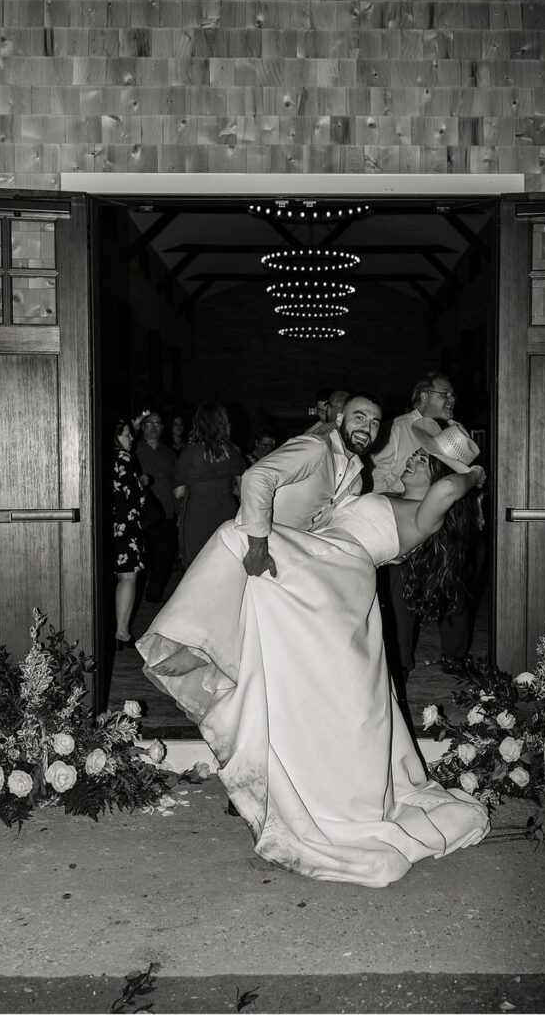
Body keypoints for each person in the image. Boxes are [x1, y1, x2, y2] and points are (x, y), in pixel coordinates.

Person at [136, 422, 489, 888]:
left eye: (423, 459)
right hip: (324, 564)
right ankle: (211, 650)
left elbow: (447, 489)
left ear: (442, 473)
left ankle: (200, 649)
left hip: (342, 571)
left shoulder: (427, 514)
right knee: (254, 576)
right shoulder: (384, 494)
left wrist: (474, 475)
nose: (411, 459)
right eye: (415, 454)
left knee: (236, 535)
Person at [371, 373, 476, 679]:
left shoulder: (456, 430)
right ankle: (401, 663)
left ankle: (456, 657)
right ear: (424, 395)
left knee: (454, 587)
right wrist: (408, 499)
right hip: (408, 518)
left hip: (451, 520)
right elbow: (378, 476)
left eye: (453, 395)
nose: (452, 399)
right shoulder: (397, 428)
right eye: (446, 394)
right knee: (402, 592)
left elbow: (464, 478)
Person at [237, 394, 381, 578]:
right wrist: (257, 549)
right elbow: (256, 477)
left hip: (288, 563)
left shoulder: (356, 480)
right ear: (339, 419)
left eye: (374, 423)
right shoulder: (316, 447)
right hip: (249, 552)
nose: (367, 428)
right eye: (359, 418)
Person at [173, 401, 246, 569]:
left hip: (197, 516)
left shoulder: (189, 453)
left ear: (198, 423)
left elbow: (178, 492)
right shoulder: (234, 451)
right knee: (225, 565)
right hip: (227, 514)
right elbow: (244, 490)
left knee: (198, 568)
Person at [136, 411, 177, 604]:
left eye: (157, 423)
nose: (153, 427)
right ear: (143, 426)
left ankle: (154, 593)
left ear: (162, 427)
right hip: (141, 512)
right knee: (142, 556)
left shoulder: (169, 453)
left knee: (164, 555)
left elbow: (176, 482)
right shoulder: (135, 449)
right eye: (149, 423)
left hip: (166, 512)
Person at [112, 417, 146, 648]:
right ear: (116, 437)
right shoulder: (124, 457)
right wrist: (142, 483)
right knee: (128, 577)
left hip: (107, 524)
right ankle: (122, 631)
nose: (132, 438)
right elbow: (135, 496)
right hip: (125, 525)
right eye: (127, 434)